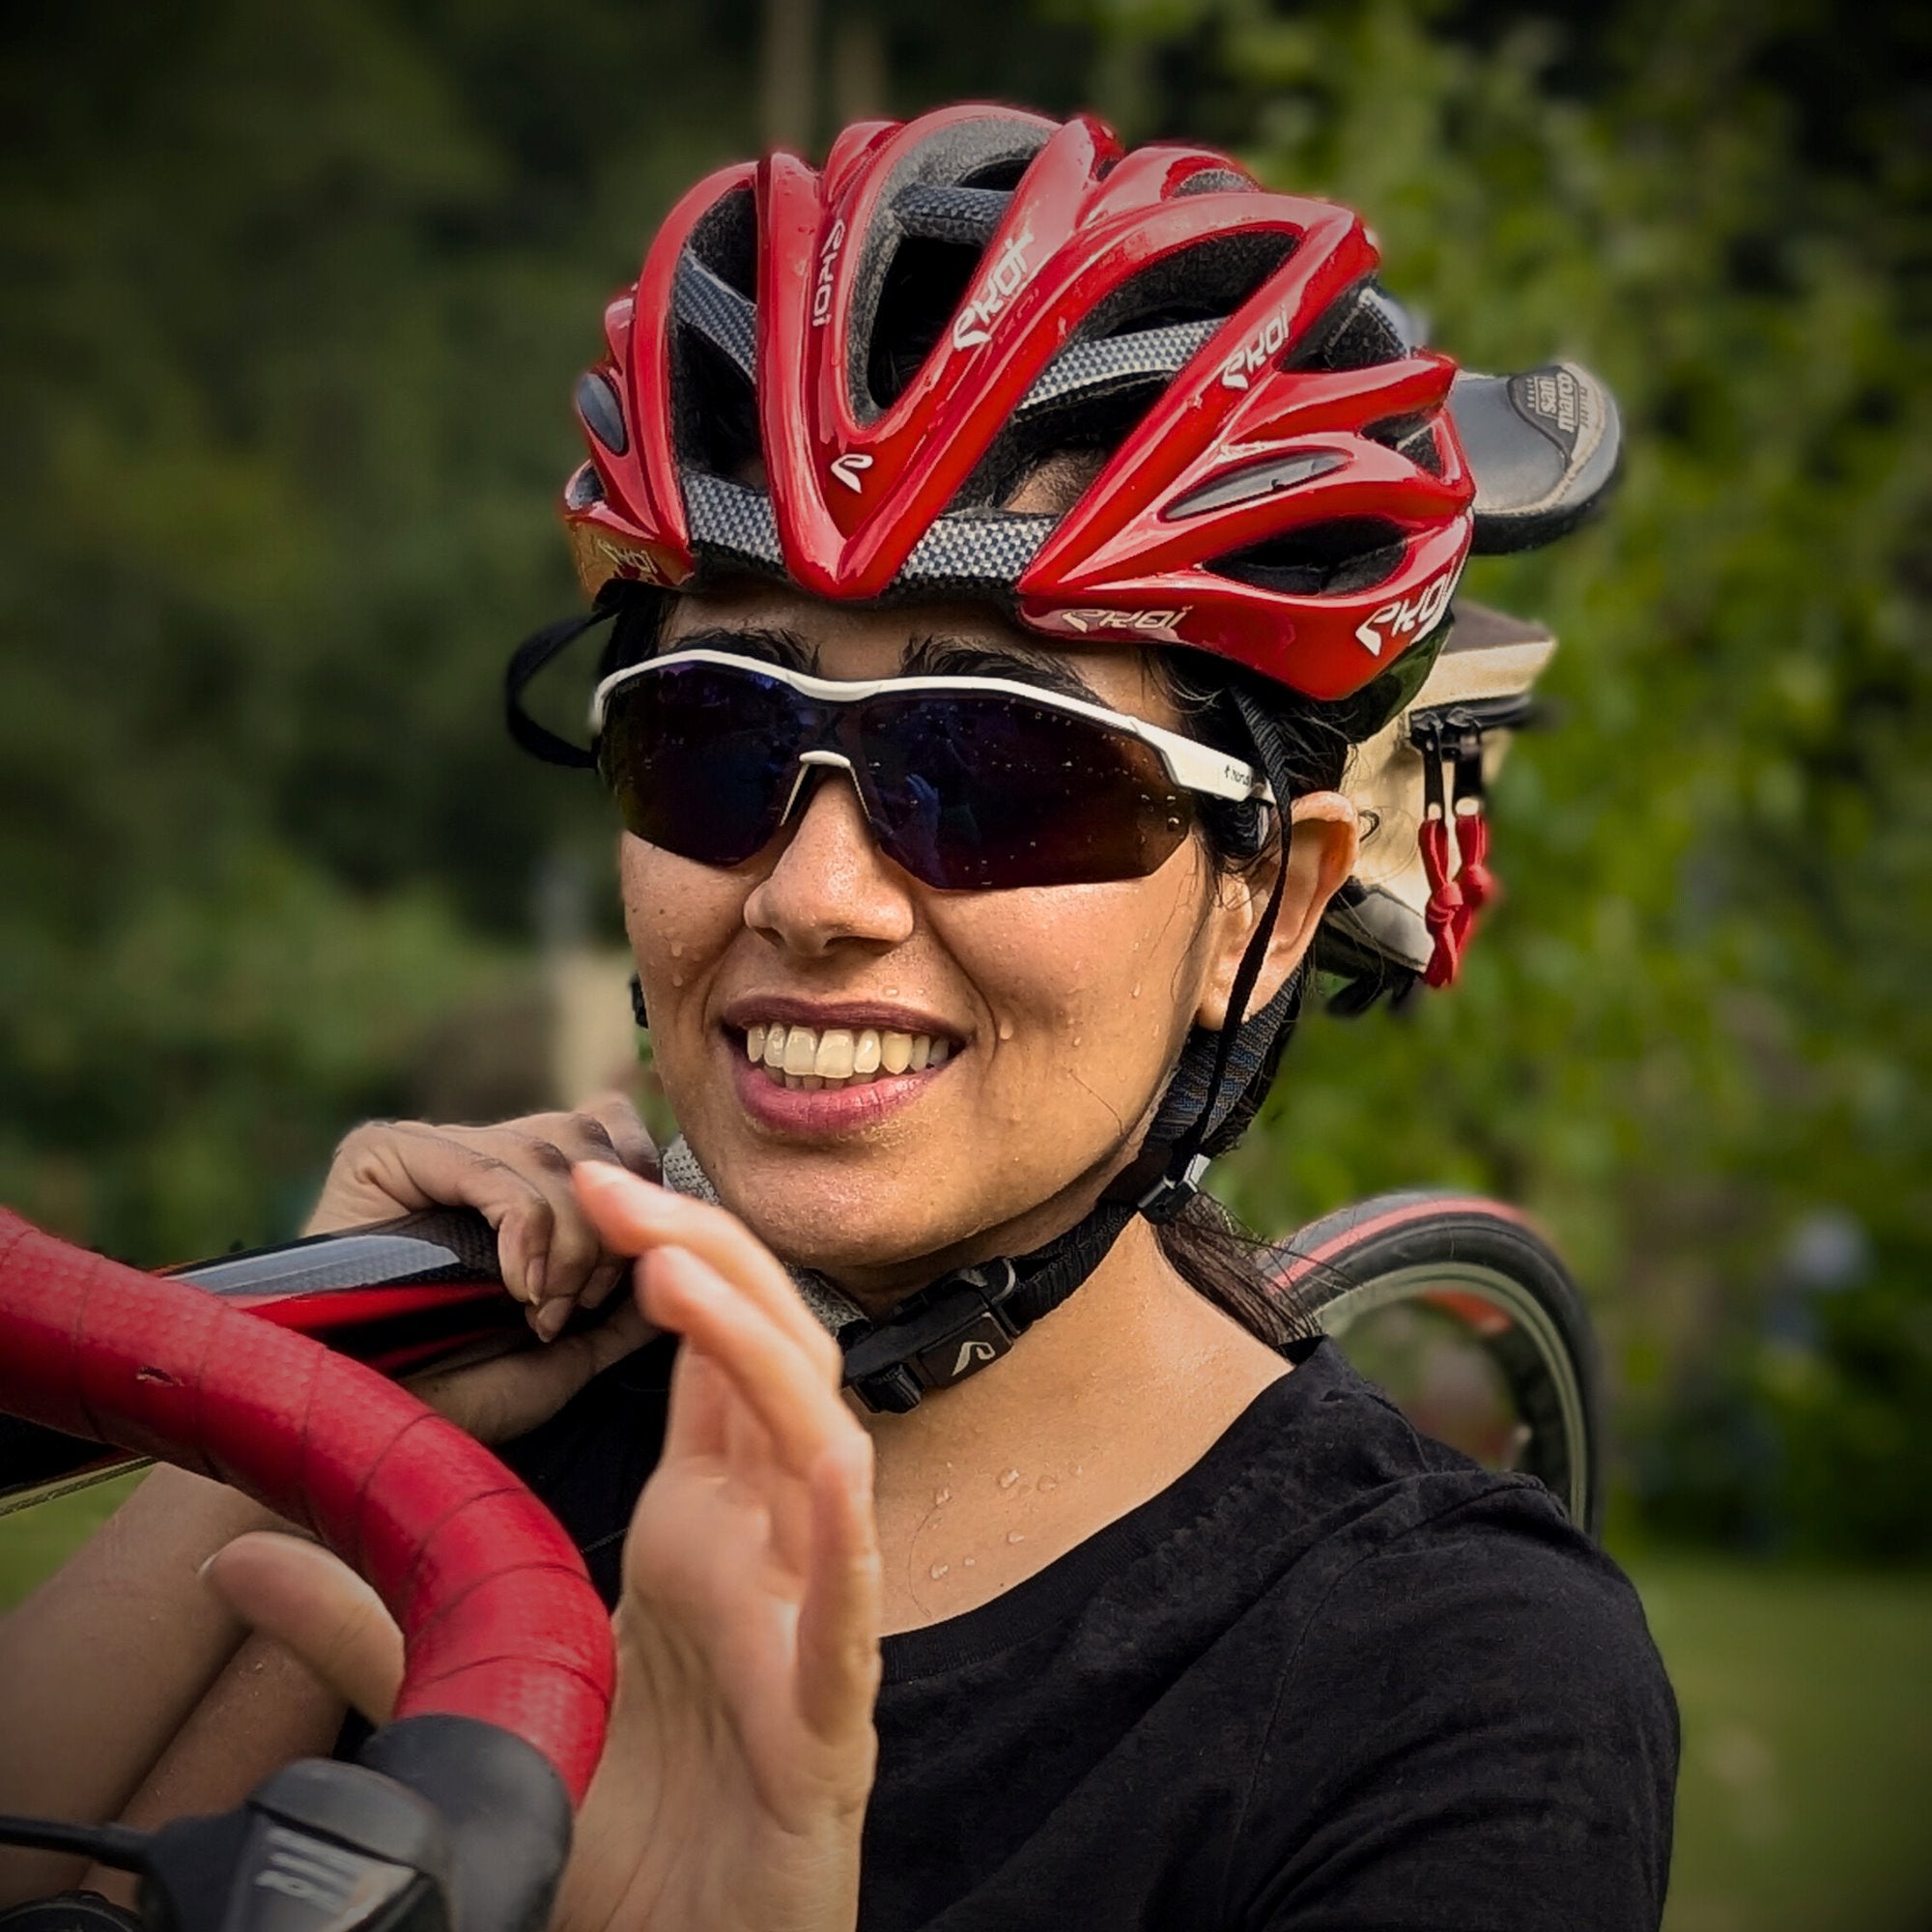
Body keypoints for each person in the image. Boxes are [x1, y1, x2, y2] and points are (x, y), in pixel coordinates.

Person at [0, 104, 1675, 1931]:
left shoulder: (1460, 1687)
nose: (810, 896)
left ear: (1263, 907)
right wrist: (312, 1403)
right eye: (712, 734)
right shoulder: (513, 1405)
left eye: (1004, 768)